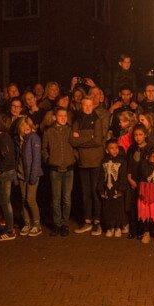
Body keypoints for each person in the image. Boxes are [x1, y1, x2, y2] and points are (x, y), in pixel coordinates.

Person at [72, 97, 108, 234]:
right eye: (84, 105)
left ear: (93, 106)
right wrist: (89, 137)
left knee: (95, 191)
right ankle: (87, 221)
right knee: (85, 192)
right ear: (81, 106)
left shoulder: (97, 120)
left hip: (95, 161)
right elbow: (72, 140)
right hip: (82, 162)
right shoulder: (77, 120)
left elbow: (98, 141)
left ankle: (97, 222)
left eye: (89, 105)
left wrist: (80, 137)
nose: (87, 107)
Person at [42, 106, 77, 235]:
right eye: (60, 116)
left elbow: (76, 146)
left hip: (69, 169)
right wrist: (48, 160)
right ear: (55, 117)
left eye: (65, 116)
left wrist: (74, 158)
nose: (63, 118)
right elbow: (44, 148)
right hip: (55, 169)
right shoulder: (49, 131)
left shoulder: (70, 130)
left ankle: (64, 224)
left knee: (66, 198)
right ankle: (56, 224)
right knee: (56, 198)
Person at [0, 113, 20, 240]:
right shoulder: (4, 137)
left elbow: (7, 157)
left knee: (5, 202)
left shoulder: (3, 137)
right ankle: (9, 226)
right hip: (7, 172)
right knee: (6, 201)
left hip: (5, 173)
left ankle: (10, 230)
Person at [16, 116, 43, 237]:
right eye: (23, 125)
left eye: (28, 125)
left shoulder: (34, 138)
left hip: (32, 174)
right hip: (22, 174)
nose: (25, 127)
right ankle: (27, 223)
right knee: (23, 199)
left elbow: (36, 159)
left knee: (30, 199)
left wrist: (33, 175)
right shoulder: (20, 139)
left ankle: (37, 225)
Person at [97, 139, 129, 238]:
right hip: (107, 189)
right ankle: (110, 227)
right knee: (107, 209)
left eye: (116, 148)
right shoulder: (103, 162)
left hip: (117, 189)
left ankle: (118, 227)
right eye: (111, 148)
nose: (115, 150)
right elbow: (101, 176)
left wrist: (121, 189)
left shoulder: (122, 162)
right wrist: (101, 189)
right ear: (107, 150)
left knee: (118, 208)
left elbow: (123, 176)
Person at [136, 147, 154, 244]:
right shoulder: (144, 164)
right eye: (153, 157)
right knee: (145, 212)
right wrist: (153, 164)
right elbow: (146, 174)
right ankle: (146, 232)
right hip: (145, 191)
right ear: (148, 157)